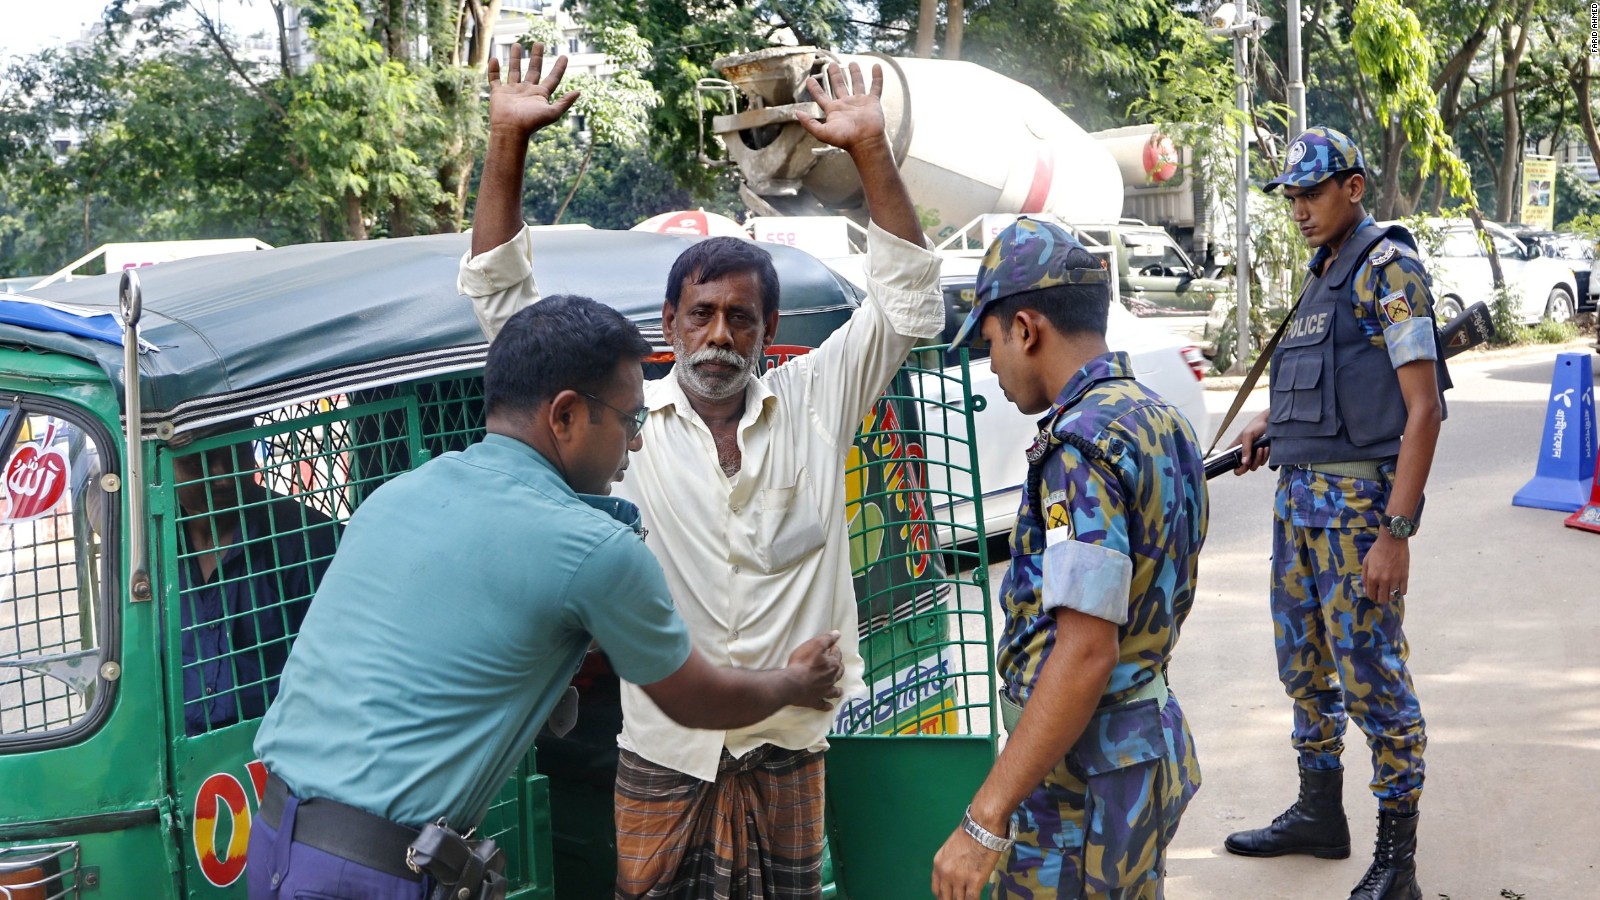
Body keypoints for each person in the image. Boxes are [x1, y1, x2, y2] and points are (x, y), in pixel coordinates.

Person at [457, 45, 941, 900]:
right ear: (671, 324)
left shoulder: (818, 401)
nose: (720, 336)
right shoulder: (619, 427)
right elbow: (503, 304)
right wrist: (507, 143)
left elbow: (905, 302)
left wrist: (870, 151)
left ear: (768, 329)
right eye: (702, 315)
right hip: (663, 752)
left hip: (790, 746)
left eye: (740, 319)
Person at [248, 296, 844, 900]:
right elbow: (696, 700)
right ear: (565, 416)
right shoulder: (595, 548)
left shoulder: (399, 493)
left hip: (275, 840)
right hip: (370, 877)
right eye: (630, 421)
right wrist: (795, 681)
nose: (635, 445)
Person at [930, 218, 1208, 900]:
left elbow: (1086, 650)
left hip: (1083, 776)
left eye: (989, 343)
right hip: (1136, 752)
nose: (990, 366)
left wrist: (983, 819)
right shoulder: (1155, 415)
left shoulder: (1077, 448)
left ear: (1025, 328)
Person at [1221, 126, 1448, 900]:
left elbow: (1423, 413)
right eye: (1291, 196)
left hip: (1359, 521)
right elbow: (1330, 384)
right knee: (1305, 670)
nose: (1299, 209)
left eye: (1312, 193)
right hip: (1298, 511)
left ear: (1353, 186)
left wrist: (1397, 534)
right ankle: (1320, 814)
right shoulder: (1325, 272)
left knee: (1375, 683)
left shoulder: (1391, 268)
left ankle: (1398, 859)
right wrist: (1269, 425)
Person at [170, 424, 339, 736]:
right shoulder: (148, 548)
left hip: (277, 742)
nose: (222, 476)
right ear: (163, 464)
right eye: (198, 463)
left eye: (237, 453)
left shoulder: (306, 539)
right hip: (178, 747)